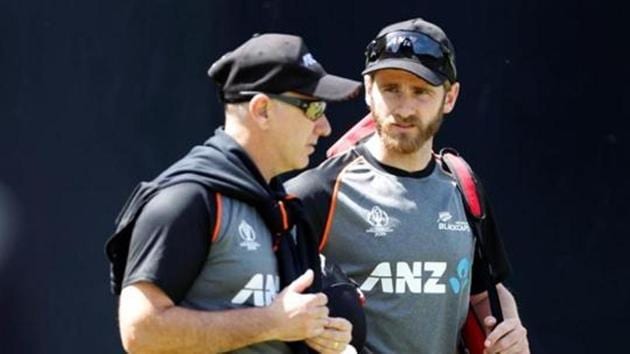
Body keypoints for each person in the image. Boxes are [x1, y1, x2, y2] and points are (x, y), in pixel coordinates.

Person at [105, 33, 364, 353]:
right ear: (263, 110)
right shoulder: (188, 199)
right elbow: (140, 332)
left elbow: (279, 322)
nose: (325, 126)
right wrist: (272, 322)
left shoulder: (275, 204)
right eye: (313, 109)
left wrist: (313, 332)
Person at [286, 18, 530, 353]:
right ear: (368, 91)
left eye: (421, 92)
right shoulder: (317, 192)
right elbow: (262, 298)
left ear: (450, 97)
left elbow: (482, 292)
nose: (404, 108)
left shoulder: (462, 187)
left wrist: (511, 327)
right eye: (391, 89)